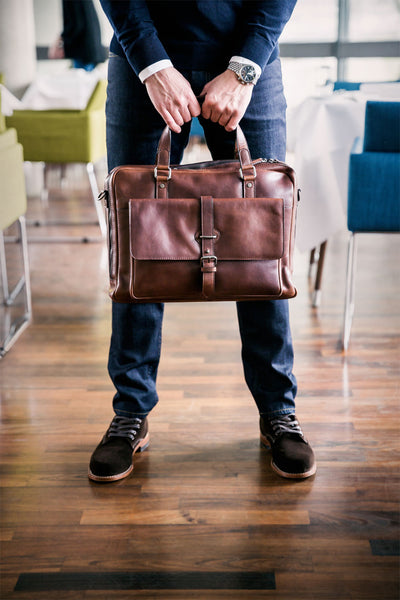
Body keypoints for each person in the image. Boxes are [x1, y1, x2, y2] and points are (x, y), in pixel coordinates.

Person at [89, 0, 316, 483]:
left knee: (262, 242)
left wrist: (245, 66)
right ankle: (130, 411)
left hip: (248, 52)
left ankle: (278, 410)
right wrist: (151, 63)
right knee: (136, 241)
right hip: (142, 58)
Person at [49, 0, 106, 71]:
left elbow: (75, 25)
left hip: (83, 52)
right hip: (92, 50)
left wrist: (58, 44)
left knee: (83, 79)